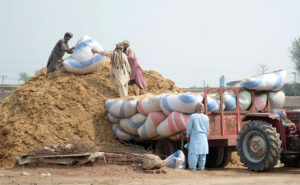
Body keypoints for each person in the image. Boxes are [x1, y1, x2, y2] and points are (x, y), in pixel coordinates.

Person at [186, 102, 209, 171]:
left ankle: (193, 168)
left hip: (195, 137)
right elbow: (207, 129)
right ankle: (201, 168)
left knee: (193, 154)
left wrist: (187, 135)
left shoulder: (193, 116)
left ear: (196, 108)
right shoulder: (206, 117)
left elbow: (189, 127)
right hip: (204, 137)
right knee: (203, 154)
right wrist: (206, 137)